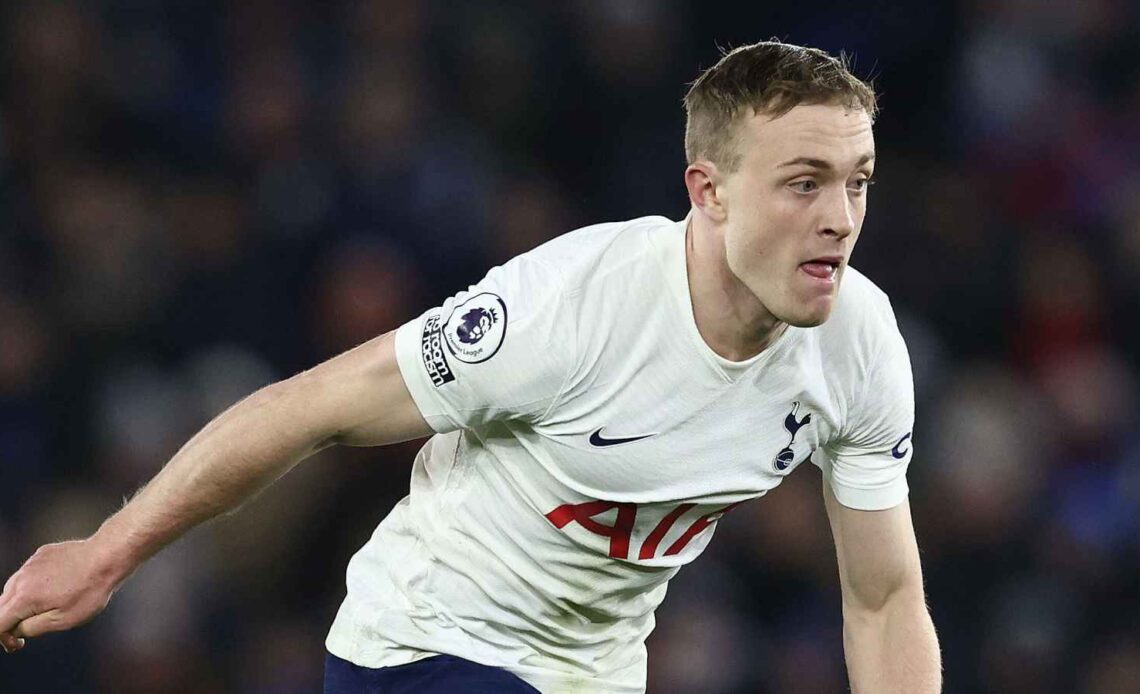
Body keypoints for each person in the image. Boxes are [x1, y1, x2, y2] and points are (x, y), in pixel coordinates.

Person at [0, 41, 942, 693]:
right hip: (424, 644)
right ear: (710, 191)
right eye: (804, 181)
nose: (840, 217)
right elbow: (311, 406)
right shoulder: (567, 307)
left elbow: (886, 593)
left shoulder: (858, 345)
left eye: (856, 180)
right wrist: (108, 553)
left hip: (592, 670)